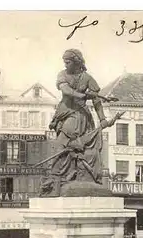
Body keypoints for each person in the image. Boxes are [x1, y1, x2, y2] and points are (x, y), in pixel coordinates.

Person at [47, 49, 109, 187]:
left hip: (80, 114)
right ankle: (58, 176)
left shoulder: (87, 78)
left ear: (76, 62)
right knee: (62, 144)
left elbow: (97, 101)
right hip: (65, 112)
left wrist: (102, 118)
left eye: (68, 62)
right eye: (64, 62)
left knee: (75, 145)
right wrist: (84, 95)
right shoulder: (62, 74)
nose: (65, 65)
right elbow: (66, 91)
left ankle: (70, 176)